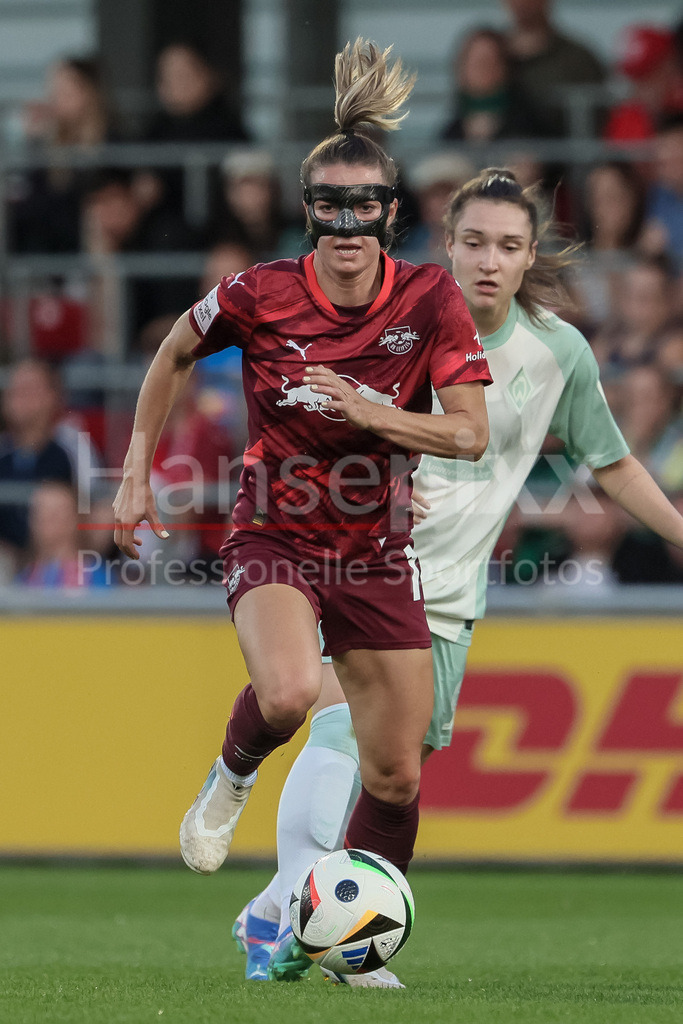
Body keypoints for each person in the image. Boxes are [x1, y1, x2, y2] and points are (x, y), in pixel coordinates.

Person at [231, 167, 683, 987]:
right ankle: (305, 914)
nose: (486, 259)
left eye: (506, 245)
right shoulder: (386, 321)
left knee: (396, 771)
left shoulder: (556, 352)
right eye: (471, 241)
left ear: (527, 255)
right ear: (445, 245)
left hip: (448, 596)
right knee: (337, 731)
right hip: (353, 564)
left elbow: (610, 465)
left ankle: (281, 913)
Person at [112, 29, 490, 932]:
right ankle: (233, 771)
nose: (348, 225)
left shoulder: (430, 298)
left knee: (396, 771)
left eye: (366, 207)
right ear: (308, 211)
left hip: (375, 548)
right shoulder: (259, 292)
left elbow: (469, 435)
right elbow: (170, 351)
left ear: (391, 215)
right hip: (275, 529)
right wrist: (134, 471)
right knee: (286, 694)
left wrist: (374, 414)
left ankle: (351, 933)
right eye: (331, 207)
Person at [502, 0, 606, 137]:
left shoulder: (578, 59)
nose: (521, 3)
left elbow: (602, 121)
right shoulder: (487, 54)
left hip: (565, 153)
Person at [440, 27, 542, 143]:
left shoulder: (526, 121)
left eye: (489, 62)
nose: (483, 71)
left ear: (506, 68)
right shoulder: (453, 128)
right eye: (477, 64)